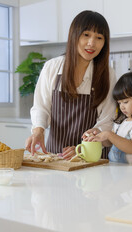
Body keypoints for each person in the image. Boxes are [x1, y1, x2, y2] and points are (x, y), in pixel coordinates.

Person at [25, 11, 116, 160]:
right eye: (86, 35)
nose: (91, 43)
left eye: (99, 37)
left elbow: (106, 120)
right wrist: (38, 131)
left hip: (91, 158)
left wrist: (84, 147)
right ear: (74, 35)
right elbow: (41, 107)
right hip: (56, 156)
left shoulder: (107, 74)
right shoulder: (52, 67)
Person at [83, 71, 132, 165]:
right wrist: (97, 136)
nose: (121, 107)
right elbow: (110, 142)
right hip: (115, 173)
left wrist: (108, 134)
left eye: (125, 102)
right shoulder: (123, 122)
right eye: (119, 103)